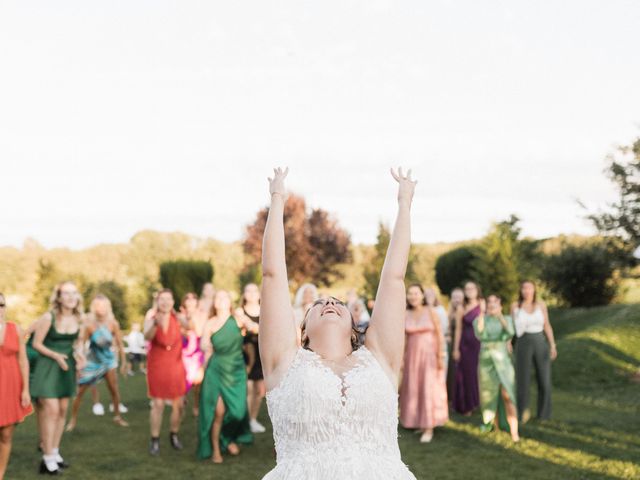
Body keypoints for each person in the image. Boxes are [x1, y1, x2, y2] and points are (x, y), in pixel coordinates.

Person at [260, 167, 417, 479]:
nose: (329, 302)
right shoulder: (286, 361)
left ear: (354, 324)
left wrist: (404, 203)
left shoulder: (379, 357)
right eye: (319, 303)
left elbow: (394, 279)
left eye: (337, 303)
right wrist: (277, 199)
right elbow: (273, 275)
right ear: (302, 332)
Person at [31, 281, 86, 475]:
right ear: (59, 297)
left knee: (63, 410)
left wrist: (80, 357)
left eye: (74, 293)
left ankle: (54, 453)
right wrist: (56, 356)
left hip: (67, 367)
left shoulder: (80, 319)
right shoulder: (48, 317)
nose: (71, 297)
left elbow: (79, 344)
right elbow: (37, 343)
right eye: (66, 293)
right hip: (48, 366)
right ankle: (46, 460)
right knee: (51, 410)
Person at [197, 290, 258, 462]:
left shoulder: (237, 319)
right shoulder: (210, 323)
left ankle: (226, 438)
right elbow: (205, 346)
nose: (222, 300)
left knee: (238, 412)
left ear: (230, 301)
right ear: (214, 303)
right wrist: (202, 366)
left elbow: (255, 329)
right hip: (216, 370)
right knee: (219, 412)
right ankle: (216, 448)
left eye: (225, 297)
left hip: (236, 371)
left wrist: (245, 319)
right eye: (218, 297)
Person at [66, 294, 129, 432]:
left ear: (108, 307)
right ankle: (73, 420)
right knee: (80, 392)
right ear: (94, 308)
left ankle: (117, 416)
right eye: (98, 306)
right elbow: (81, 344)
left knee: (114, 391)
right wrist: (79, 357)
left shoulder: (113, 324)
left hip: (109, 362)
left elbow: (119, 344)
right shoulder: (89, 325)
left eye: (103, 306)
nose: (101, 309)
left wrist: (124, 362)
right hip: (92, 362)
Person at [399, 284, 448, 443]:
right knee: (415, 388)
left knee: (428, 388)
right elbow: (404, 338)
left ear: (422, 295)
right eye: (410, 294)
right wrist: (402, 358)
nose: (413, 296)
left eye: (416, 293)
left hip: (429, 356)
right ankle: (418, 421)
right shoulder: (405, 313)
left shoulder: (431, 311)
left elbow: (440, 334)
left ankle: (429, 427)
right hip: (412, 356)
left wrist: (440, 356)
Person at [144, 289, 188, 456]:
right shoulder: (152, 318)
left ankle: (173, 434)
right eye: (162, 299)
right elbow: (147, 336)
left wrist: (182, 316)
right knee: (158, 404)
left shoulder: (177, 318)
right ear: (158, 301)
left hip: (176, 365)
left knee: (179, 404)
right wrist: (156, 323)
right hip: (158, 365)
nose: (165, 302)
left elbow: (190, 327)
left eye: (168, 299)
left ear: (173, 301)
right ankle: (154, 439)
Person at [474, 294, 519, 441]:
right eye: (490, 303)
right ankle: (492, 425)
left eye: (495, 302)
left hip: (502, 360)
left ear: (500, 305)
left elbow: (510, 332)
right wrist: (481, 313)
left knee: (507, 394)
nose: (492, 305)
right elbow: (480, 333)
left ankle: (514, 432)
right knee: (489, 395)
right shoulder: (481, 319)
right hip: (486, 360)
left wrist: (499, 316)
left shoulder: (507, 319)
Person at [511, 280, 557, 423]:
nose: (526, 291)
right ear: (521, 290)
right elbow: (511, 328)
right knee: (522, 380)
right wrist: (508, 342)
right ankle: (522, 413)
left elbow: (547, 325)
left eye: (529, 288)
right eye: (524, 288)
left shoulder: (541, 306)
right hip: (523, 342)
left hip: (540, 342)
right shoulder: (515, 306)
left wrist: (552, 345)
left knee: (544, 379)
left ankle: (544, 414)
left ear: (534, 290)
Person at [0, 292, 33, 479]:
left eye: (1, 305)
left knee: (6, 435)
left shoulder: (15, 329)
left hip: (11, 387)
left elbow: (23, 360)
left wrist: (26, 389)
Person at [239, 283, 267, 434]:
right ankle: (244, 419)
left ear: (259, 294)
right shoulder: (239, 312)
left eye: (254, 290)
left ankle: (252, 419)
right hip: (245, 354)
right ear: (244, 294)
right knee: (247, 388)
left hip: (261, 354)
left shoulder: (266, 311)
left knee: (258, 391)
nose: (251, 293)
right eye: (247, 290)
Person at [452, 281, 483, 416]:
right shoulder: (461, 307)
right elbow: (458, 329)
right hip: (464, 345)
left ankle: (477, 402)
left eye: (472, 288)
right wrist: (455, 349)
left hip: (479, 344)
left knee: (477, 374)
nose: (469, 290)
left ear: (477, 290)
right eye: (467, 288)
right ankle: (465, 405)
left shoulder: (482, 304)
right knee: (465, 374)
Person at [180, 292, 205, 416]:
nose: (190, 300)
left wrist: (191, 321)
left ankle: (196, 404)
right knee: (182, 380)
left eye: (193, 298)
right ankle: (181, 403)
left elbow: (200, 331)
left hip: (197, 352)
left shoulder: (201, 315)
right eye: (187, 298)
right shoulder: (180, 315)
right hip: (183, 352)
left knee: (198, 382)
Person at [425, 287, 449, 373]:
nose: (428, 297)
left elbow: (444, 328)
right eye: (426, 295)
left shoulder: (440, 310)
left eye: (431, 295)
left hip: (438, 344)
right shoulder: (421, 310)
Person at [446, 288, 464, 402]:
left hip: (464, 343)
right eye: (454, 297)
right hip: (452, 343)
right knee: (452, 370)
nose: (457, 300)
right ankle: (451, 397)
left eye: (459, 297)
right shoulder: (450, 312)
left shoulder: (464, 310)